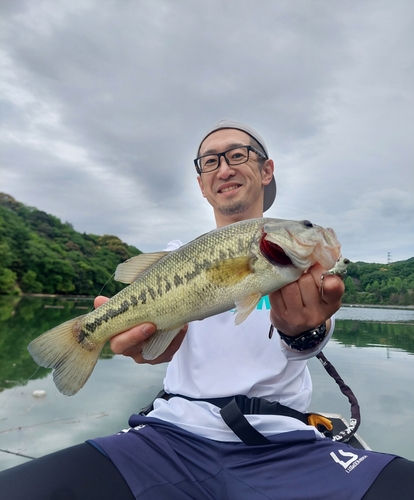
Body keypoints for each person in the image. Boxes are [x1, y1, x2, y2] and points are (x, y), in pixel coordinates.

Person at [1, 119, 413, 499]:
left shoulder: (302, 272)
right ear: (201, 183)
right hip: (169, 438)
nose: (225, 168)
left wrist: (301, 331)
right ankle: (82, 336)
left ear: (266, 171)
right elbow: (154, 341)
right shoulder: (173, 257)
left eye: (238, 155)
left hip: (283, 442)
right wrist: (144, 347)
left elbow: (309, 336)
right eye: (210, 161)